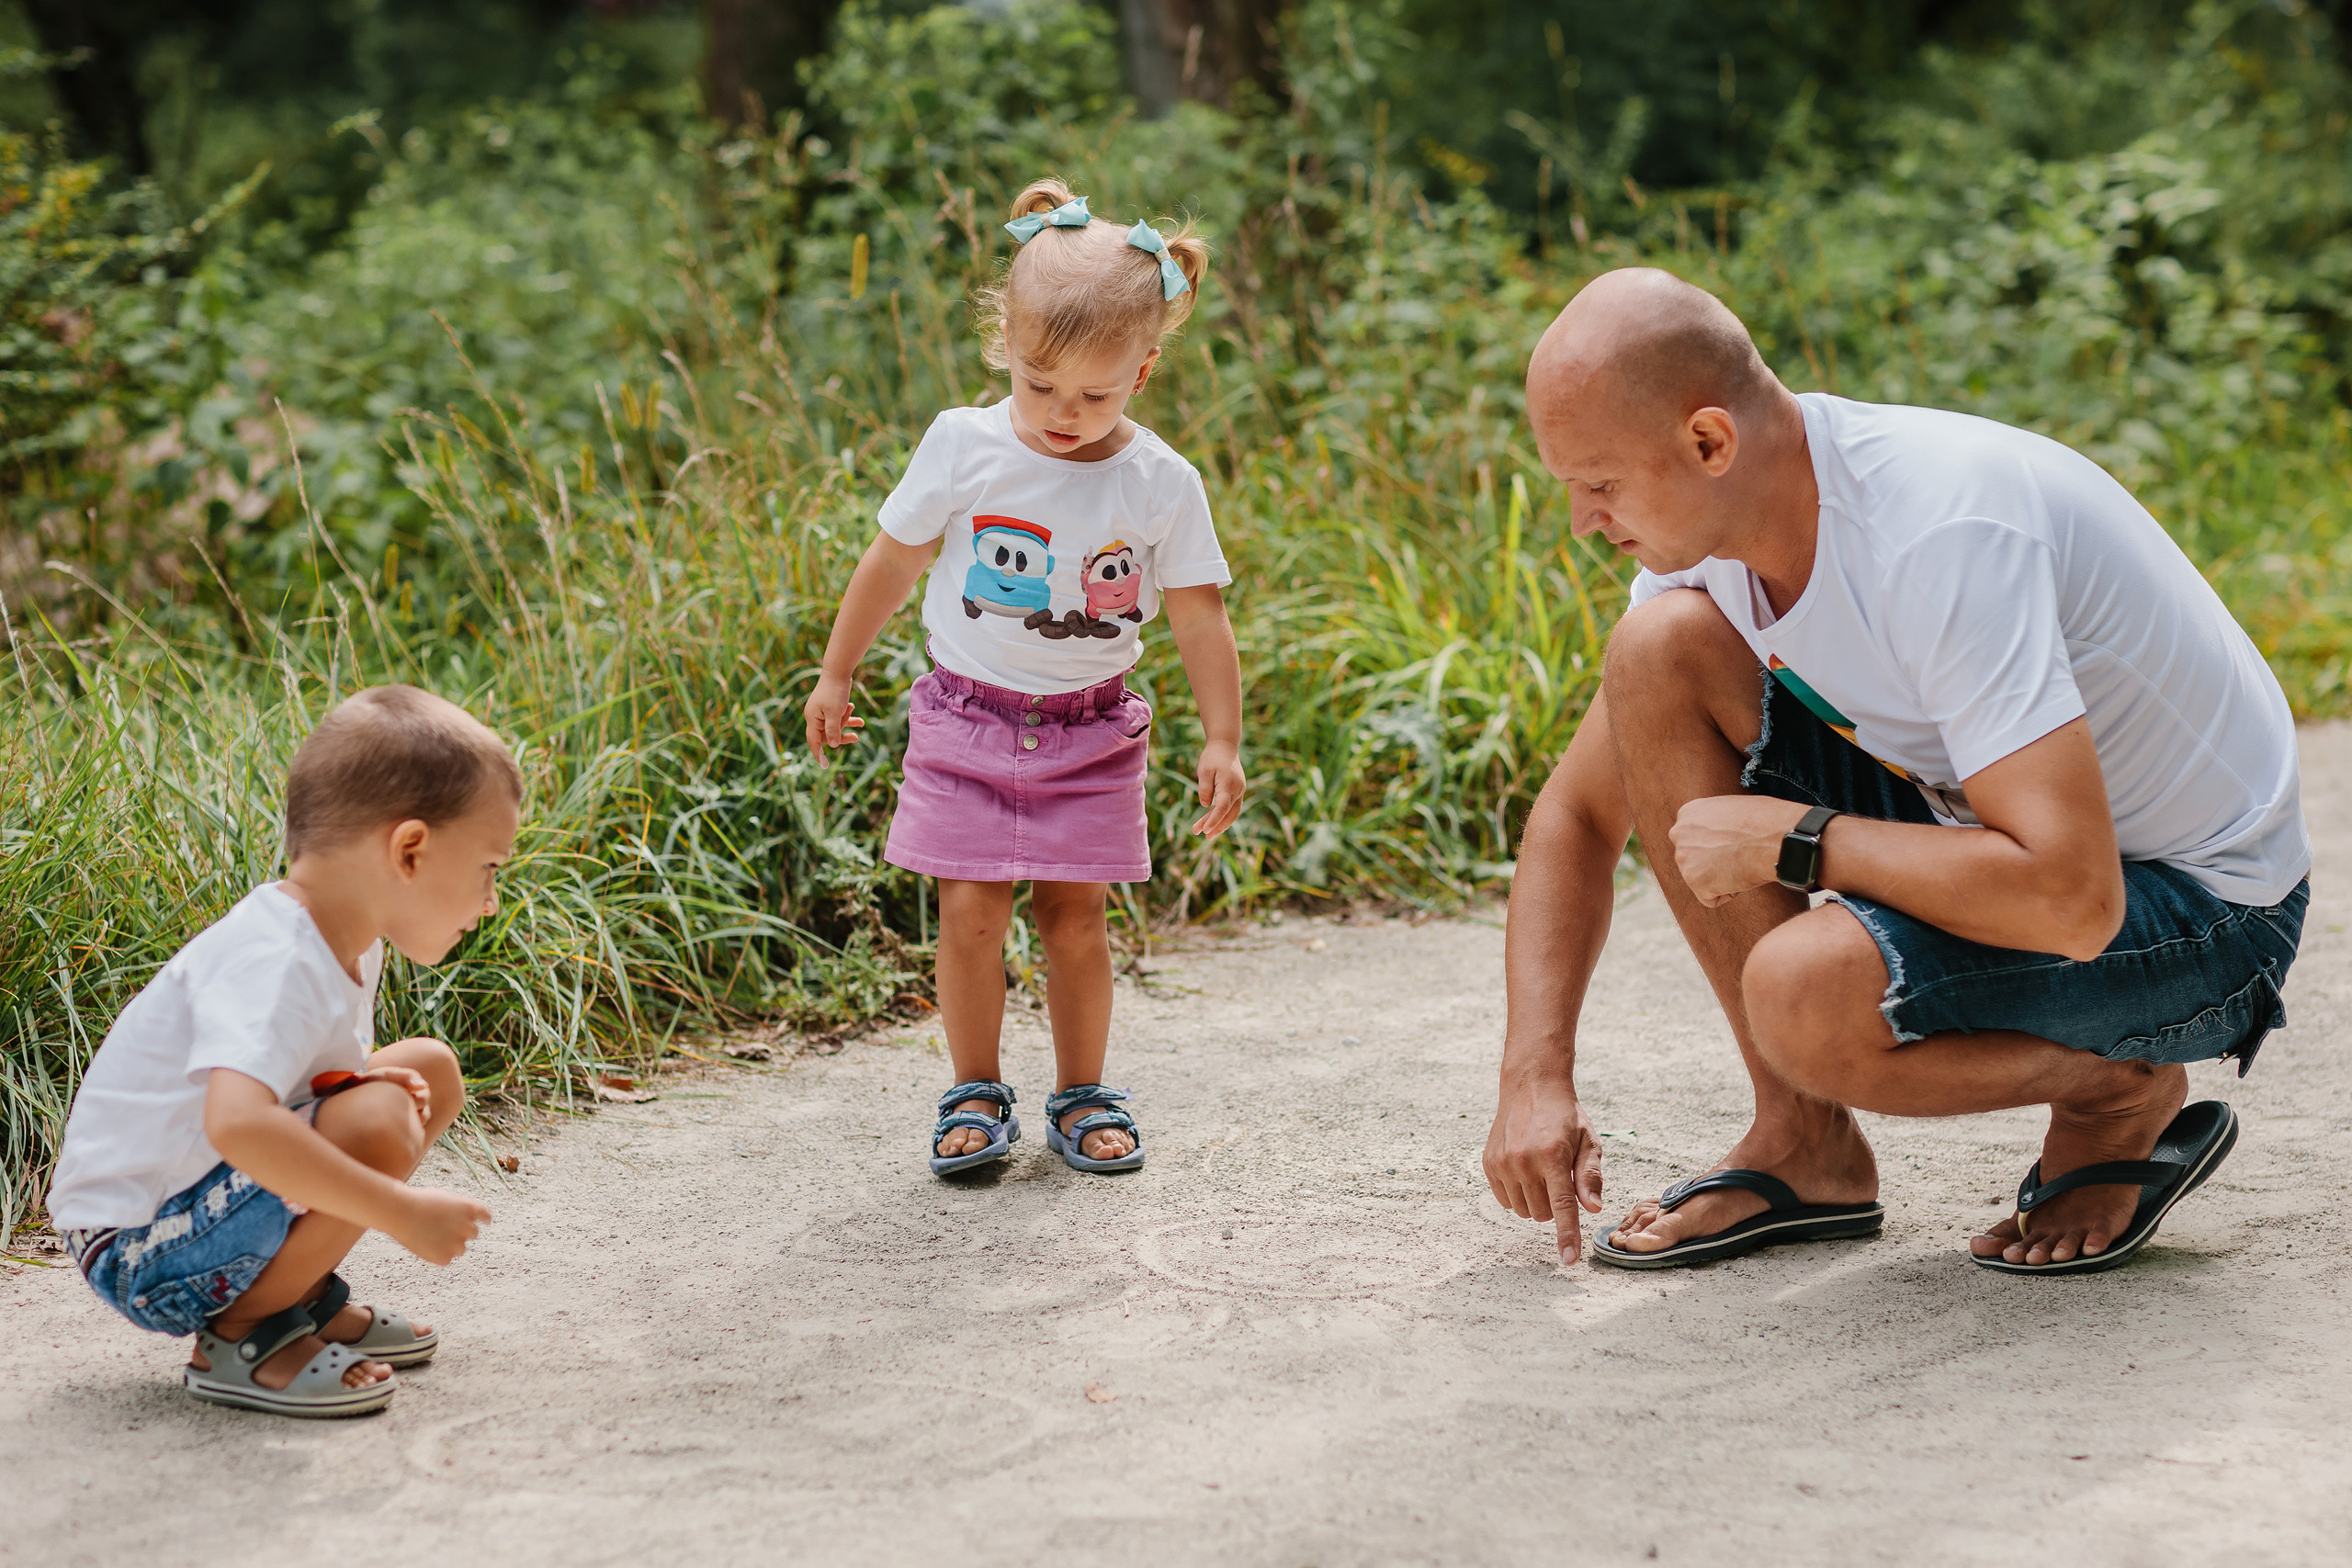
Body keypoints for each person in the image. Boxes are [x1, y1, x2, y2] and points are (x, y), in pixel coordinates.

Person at [1483, 267, 2309, 1277]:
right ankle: (1804, 1148)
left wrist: (1798, 841)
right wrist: (1534, 1076)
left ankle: (2116, 1088)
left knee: (1806, 996)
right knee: (1656, 655)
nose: (1579, 520)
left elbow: (2072, 898)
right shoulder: (1704, 551)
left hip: (2203, 908)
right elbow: (1574, 817)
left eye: (1598, 484)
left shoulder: (1939, 529)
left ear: (1708, 442)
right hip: (1993, 830)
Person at [805, 178, 1245, 1179]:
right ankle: (973, 1088)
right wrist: (837, 674)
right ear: (1004, 338)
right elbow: (890, 561)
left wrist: (1222, 739)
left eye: (1097, 394)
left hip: (1093, 732)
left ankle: (1083, 1092)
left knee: (1074, 916)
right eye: (1040, 384)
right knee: (968, 913)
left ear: (1146, 365)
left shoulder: (1161, 482)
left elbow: (1196, 613)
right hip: (964, 719)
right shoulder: (963, 445)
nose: (1062, 414)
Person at [46, 685, 509, 1415]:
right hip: (140, 1247)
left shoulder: (344, 939)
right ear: (410, 849)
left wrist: (352, 1085)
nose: (490, 902)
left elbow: (281, 1089)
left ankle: (297, 1298)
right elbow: (238, 1123)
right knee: (382, 1116)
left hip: (193, 1206)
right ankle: (242, 1334)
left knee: (428, 1071)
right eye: (488, 868)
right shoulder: (277, 955)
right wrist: (400, 1209)